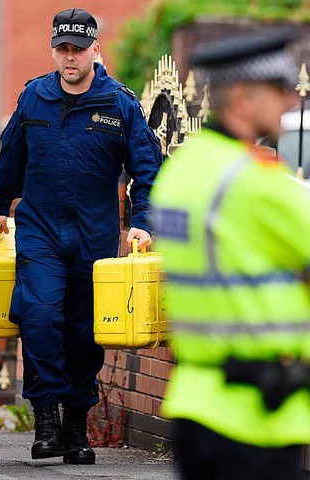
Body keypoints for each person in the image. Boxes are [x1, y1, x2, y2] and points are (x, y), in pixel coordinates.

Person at [0, 7, 162, 464]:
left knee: (84, 334)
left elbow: (147, 167)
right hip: (41, 231)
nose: (69, 58)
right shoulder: (34, 97)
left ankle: (76, 428)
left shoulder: (118, 103)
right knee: (40, 317)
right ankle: (45, 416)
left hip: (94, 237)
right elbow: (12, 154)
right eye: (62, 49)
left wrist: (141, 218)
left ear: (94, 50)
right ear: (54, 50)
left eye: (78, 50)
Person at [151, 27, 310, 480]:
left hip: (196, 402)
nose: (291, 101)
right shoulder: (255, 184)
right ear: (243, 99)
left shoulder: (181, 174)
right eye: (279, 91)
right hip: (256, 419)